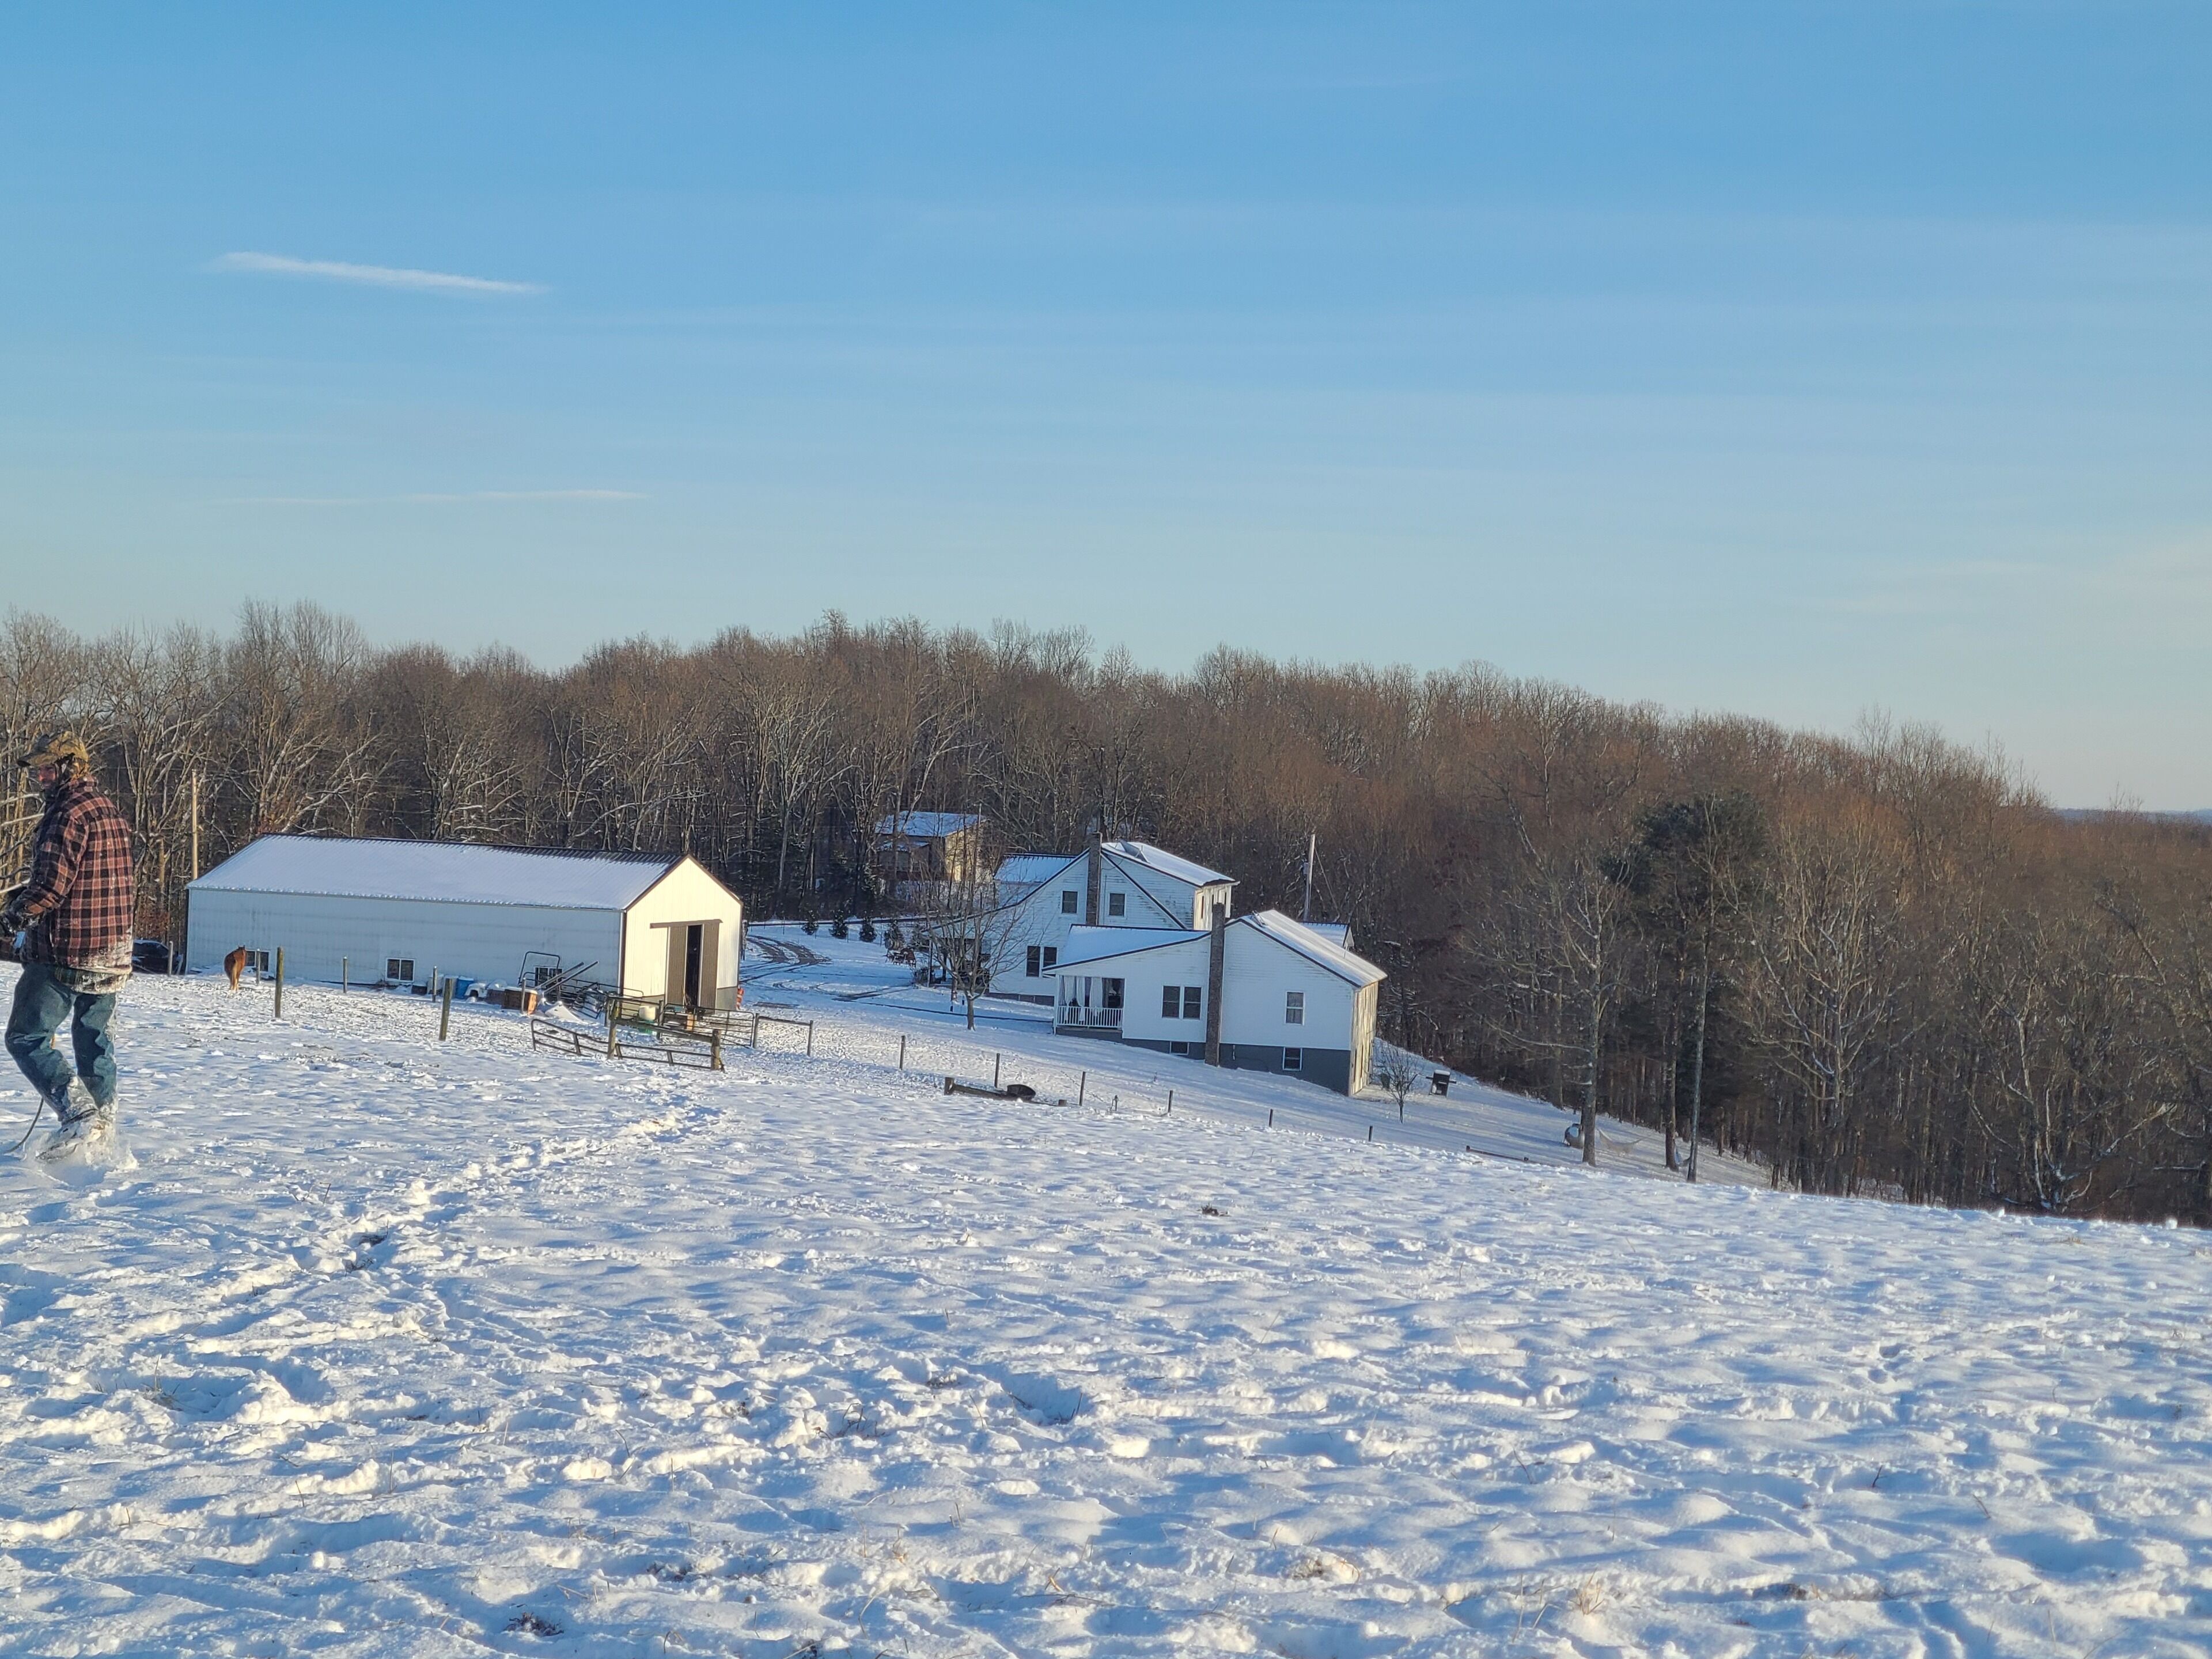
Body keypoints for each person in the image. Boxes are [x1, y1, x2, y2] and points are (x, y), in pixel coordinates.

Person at [2, 731, 135, 1160]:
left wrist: (13, 915)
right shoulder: (109, 811)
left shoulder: (66, 814)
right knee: (94, 1041)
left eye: (46, 768)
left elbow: (50, 887)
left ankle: (79, 1116)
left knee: (26, 1037)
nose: (40, 776)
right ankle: (103, 1132)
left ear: (70, 768)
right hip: (114, 953)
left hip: (67, 953)